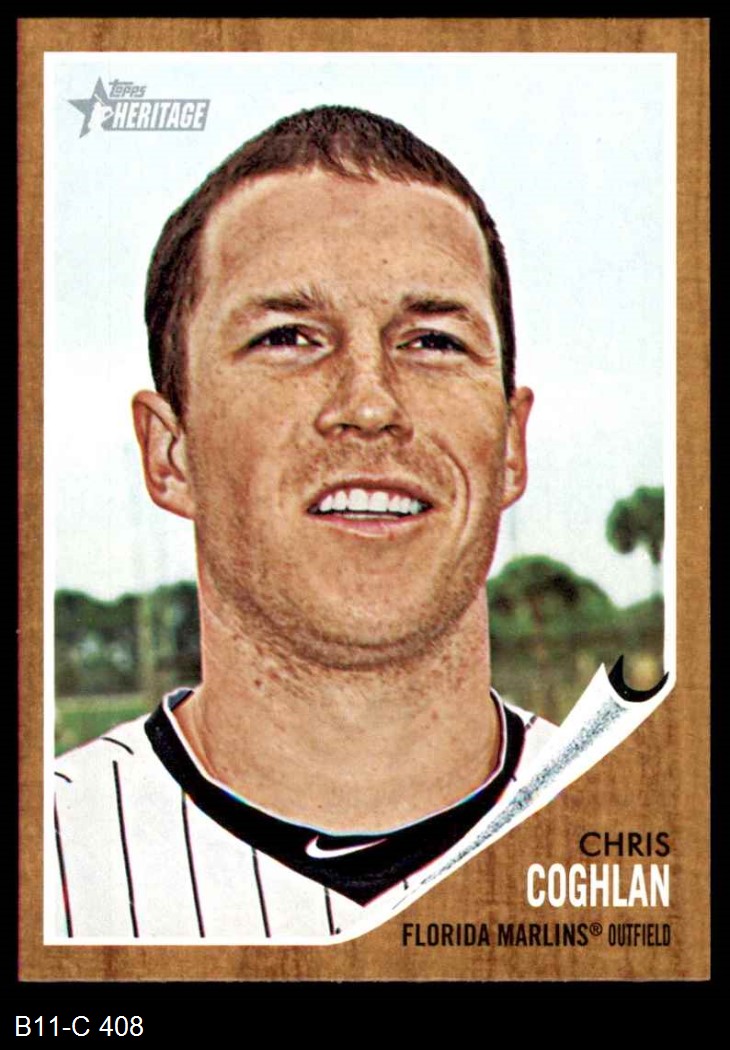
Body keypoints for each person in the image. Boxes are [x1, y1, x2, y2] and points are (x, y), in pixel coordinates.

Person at [51, 105, 662, 945]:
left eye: (433, 342)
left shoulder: (661, 851)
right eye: (288, 337)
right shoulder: (50, 861)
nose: (370, 404)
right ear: (169, 453)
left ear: (511, 447)